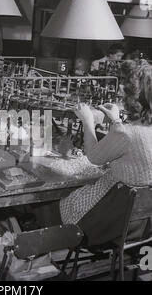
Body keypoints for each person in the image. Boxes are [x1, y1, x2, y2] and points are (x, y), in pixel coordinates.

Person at [32, 61, 152, 237]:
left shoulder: (126, 133)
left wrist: (87, 120)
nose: (119, 89)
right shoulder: (139, 130)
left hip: (103, 223)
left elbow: (93, 157)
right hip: (139, 225)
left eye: (125, 86)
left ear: (134, 96)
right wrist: (116, 121)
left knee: (40, 205)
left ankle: (29, 250)